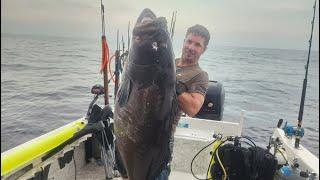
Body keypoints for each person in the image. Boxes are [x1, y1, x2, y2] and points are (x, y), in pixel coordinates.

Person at [173, 24, 210, 133]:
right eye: (189, 42)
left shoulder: (200, 75)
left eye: (197, 45)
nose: (191, 47)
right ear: (184, 41)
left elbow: (193, 109)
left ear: (204, 49)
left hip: (162, 135)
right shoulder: (170, 62)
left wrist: (172, 82)